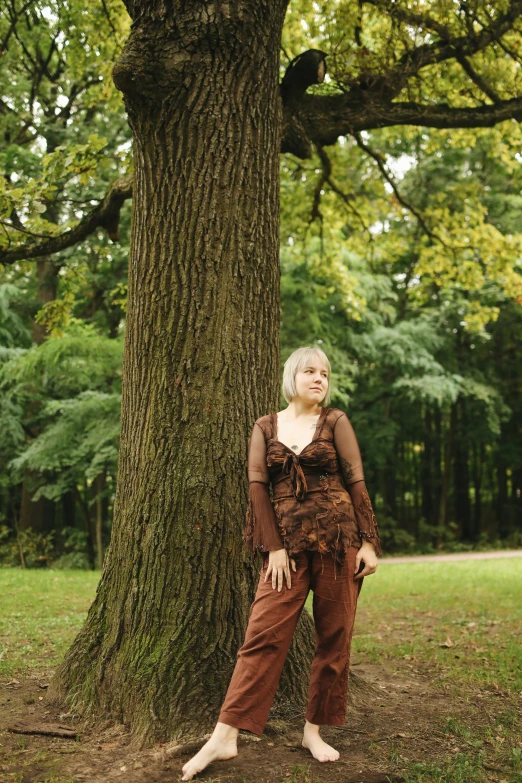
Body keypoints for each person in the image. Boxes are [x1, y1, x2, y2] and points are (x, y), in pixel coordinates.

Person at [181, 346, 382, 781]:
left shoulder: (335, 422)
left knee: (334, 638)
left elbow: (356, 479)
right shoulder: (265, 426)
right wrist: (272, 547)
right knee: (261, 635)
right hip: (286, 552)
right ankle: (225, 735)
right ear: (292, 376)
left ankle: (313, 731)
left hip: (339, 541)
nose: (319, 379)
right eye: (310, 371)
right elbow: (258, 488)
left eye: (325, 373)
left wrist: (369, 542)